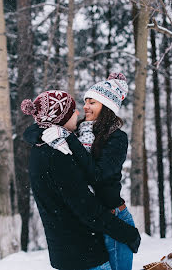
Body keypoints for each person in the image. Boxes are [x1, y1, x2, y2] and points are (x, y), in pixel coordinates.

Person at [21, 90, 140, 270]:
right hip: (82, 252)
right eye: (73, 110)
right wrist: (127, 233)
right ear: (59, 119)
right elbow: (85, 207)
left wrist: (50, 133)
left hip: (74, 248)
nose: (80, 111)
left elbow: (94, 181)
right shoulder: (57, 152)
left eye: (92, 103)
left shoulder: (51, 145)